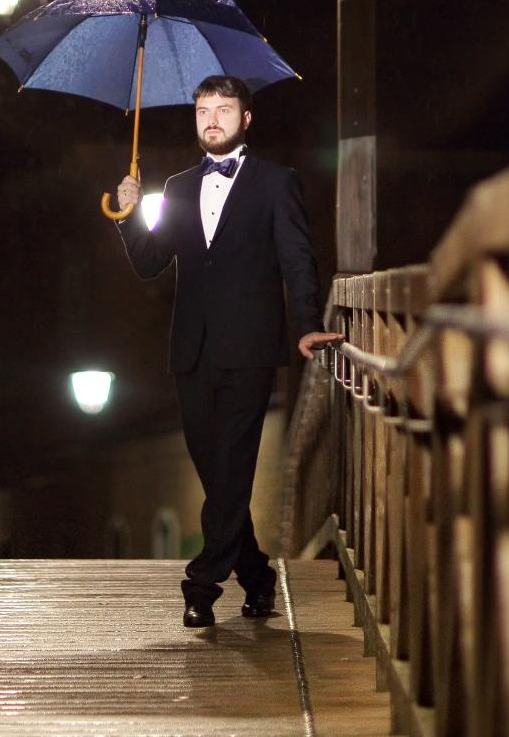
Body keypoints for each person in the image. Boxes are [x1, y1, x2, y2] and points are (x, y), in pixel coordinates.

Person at [115, 74, 341, 629]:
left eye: (223, 109)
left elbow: (297, 258)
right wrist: (129, 214)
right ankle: (258, 578)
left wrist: (307, 326)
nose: (211, 119)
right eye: (202, 110)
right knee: (218, 478)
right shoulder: (177, 187)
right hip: (191, 352)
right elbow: (149, 263)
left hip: (251, 348)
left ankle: (202, 584)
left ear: (246, 119)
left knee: (234, 466)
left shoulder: (276, 182)